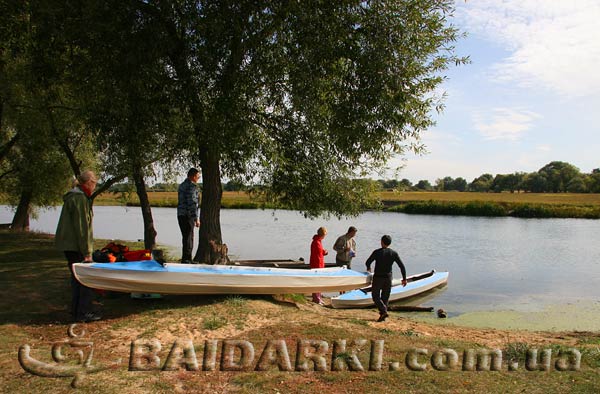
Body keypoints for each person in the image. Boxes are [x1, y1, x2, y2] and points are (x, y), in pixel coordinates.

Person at [55, 170, 101, 322]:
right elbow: (82, 228)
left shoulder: (73, 197)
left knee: (76, 278)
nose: (94, 188)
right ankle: (84, 312)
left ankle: (76, 311)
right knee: (85, 277)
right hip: (75, 245)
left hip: (68, 244)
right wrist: (87, 252)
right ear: (88, 183)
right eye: (94, 184)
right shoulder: (80, 198)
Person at [365, 235, 407, 322]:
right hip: (388, 278)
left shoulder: (377, 252)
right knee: (385, 298)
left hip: (378, 278)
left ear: (381, 242)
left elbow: (368, 262)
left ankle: (383, 311)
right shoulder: (393, 253)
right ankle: (383, 315)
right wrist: (404, 279)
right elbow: (402, 266)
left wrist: (368, 267)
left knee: (375, 296)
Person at [177, 168, 201, 263]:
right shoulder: (192, 187)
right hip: (188, 215)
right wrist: (196, 218)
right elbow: (192, 203)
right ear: (193, 176)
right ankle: (187, 260)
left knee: (186, 236)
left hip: (180, 214)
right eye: (197, 176)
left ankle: (186, 258)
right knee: (189, 237)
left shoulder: (182, 185)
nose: (198, 178)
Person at [309, 226, 328, 305]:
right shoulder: (316, 242)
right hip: (317, 264)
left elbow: (319, 252)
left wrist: (324, 252)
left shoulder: (318, 241)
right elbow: (317, 255)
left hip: (319, 263)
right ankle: (316, 298)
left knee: (319, 281)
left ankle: (319, 297)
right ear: (322, 234)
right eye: (325, 234)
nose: (325, 236)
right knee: (317, 281)